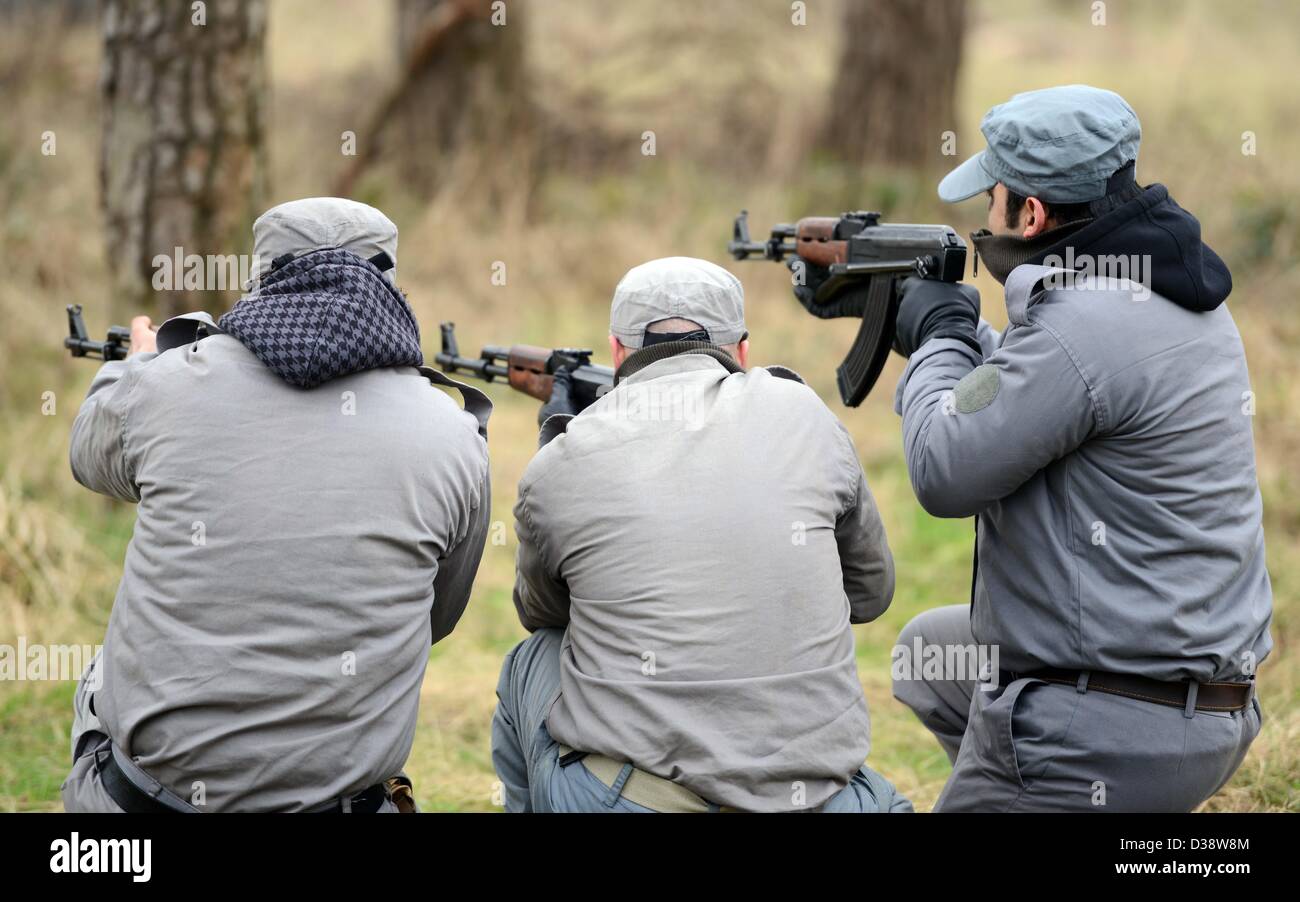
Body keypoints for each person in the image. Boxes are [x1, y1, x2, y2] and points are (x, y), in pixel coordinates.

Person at [880, 85, 1270, 811]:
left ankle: (1035, 784)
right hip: (1201, 700)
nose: (982, 220)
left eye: (991, 198)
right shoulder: (1165, 290)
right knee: (930, 655)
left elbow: (943, 472)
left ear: (1030, 214)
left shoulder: (1079, 325)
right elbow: (1050, 391)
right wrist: (957, 340)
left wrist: (939, 339)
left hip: (1112, 726)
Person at [62, 197, 492, 812]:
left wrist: (131, 371)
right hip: (338, 803)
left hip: (153, 804)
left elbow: (88, 458)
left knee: (102, 672)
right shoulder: (453, 434)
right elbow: (436, 620)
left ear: (261, 277)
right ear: (391, 281)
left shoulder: (166, 386)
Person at [490, 256, 910, 812]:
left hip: (641, 800)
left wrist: (564, 446)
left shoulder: (563, 460)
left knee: (531, 659)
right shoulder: (806, 415)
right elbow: (872, 594)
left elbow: (542, 613)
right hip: (819, 798)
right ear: (742, 349)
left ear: (616, 352)